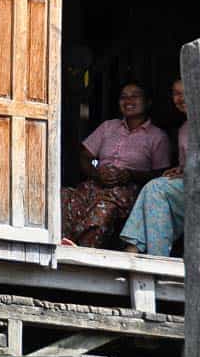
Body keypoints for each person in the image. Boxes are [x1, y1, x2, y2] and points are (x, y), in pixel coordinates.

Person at [61, 81, 171, 248]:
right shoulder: (108, 127)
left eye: (135, 96)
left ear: (147, 102)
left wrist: (129, 175)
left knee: (104, 208)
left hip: (127, 190)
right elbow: (84, 155)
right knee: (64, 196)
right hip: (96, 184)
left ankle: (84, 250)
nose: (128, 101)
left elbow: (161, 174)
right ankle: (62, 243)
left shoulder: (157, 136)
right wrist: (96, 173)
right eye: (123, 97)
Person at [120, 79, 188, 256]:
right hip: (190, 185)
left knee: (155, 188)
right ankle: (134, 248)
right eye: (176, 93)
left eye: (185, 92)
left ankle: (153, 255)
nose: (180, 98)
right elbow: (188, 164)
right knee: (156, 189)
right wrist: (181, 169)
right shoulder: (184, 129)